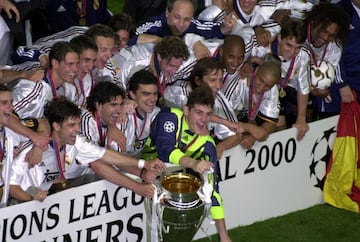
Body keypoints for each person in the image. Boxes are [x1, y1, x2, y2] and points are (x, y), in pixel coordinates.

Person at [9, 97, 167, 204]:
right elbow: (10, 186)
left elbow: (106, 155)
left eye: (78, 124)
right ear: (56, 126)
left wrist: (143, 164)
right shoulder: (31, 149)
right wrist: (30, 199)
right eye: (71, 125)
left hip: (44, 199)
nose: (77, 130)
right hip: (19, 203)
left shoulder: (77, 141)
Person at [142, 87, 232, 242]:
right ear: (186, 110)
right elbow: (165, 150)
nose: (203, 120)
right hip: (135, 170)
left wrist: (224, 236)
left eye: (208, 114)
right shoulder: (170, 117)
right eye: (198, 112)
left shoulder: (207, 145)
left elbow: (213, 190)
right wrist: (194, 163)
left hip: (160, 185)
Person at [249, 18, 311, 141]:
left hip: (280, 92)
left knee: (281, 130)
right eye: (289, 45)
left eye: (297, 47)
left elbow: (303, 88)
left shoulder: (303, 55)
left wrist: (301, 119)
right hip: (253, 90)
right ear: (279, 38)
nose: (292, 52)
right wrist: (251, 60)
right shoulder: (262, 45)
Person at [303, 3, 350, 120]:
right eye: (324, 31)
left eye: (331, 35)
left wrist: (321, 86)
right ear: (313, 22)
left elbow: (326, 75)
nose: (325, 38)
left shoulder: (334, 47)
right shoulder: (297, 32)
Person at [221, 61, 281, 149]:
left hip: (241, 122)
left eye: (267, 86)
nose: (261, 88)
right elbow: (221, 122)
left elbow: (271, 122)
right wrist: (250, 129)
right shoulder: (237, 84)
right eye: (260, 80)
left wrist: (253, 137)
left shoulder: (272, 89)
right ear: (256, 71)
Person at [127, 0, 235, 46]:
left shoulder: (191, 24)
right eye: (177, 17)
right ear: (167, 12)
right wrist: (159, 41)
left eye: (187, 19)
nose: (181, 24)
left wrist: (225, 27)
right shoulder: (154, 25)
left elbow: (212, 28)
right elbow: (128, 39)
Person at [115, 36, 189, 95]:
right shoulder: (133, 64)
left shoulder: (165, 58)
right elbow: (115, 91)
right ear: (159, 57)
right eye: (171, 66)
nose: (174, 71)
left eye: (178, 66)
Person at [116, 69, 161, 158]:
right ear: (132, 94)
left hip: (137, 162)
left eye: (155, 94)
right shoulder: (122, 115)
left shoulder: (156, 113)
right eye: (146, 94)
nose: (152, 99)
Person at [0, 84, 29, 207]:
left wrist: (38, 146)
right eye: (4, 103)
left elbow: (43, 124)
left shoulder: (12, 132)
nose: (10, 107)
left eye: (11, 102)